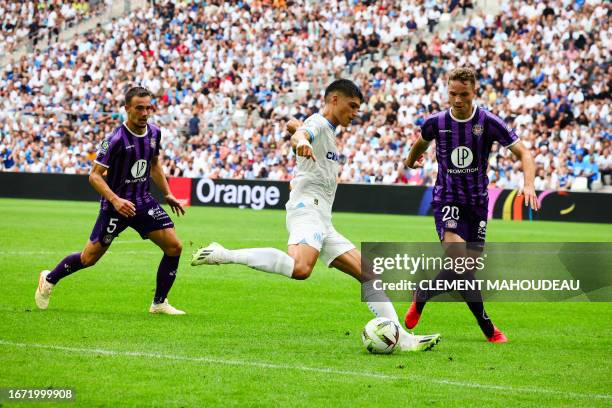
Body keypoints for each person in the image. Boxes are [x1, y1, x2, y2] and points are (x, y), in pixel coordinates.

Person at [191, 79, 441, 352]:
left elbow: (299, 129)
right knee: (301, 269)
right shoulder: (320, 124)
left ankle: (401, 338)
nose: (356, 112)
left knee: (369, 274)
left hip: (322, 218)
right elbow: (304, 134)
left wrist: (296, 129)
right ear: (334, 100)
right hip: (306, 210)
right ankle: (224, 253)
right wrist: (299, 139)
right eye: (352, 105)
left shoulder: (328, 130)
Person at [402, 67, 540, 343]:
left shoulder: (488, 122)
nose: (457, 100)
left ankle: (423, 294)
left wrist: (528, 184)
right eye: (452, 93)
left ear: (474, 92)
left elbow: (524, 152)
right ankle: (489, 329)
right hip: (447, 200)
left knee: (465, 271)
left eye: (463, 94)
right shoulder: (436, 122)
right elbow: (420, 144)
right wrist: (409, 161)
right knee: (461, 264)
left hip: (477, 205)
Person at [35, 86, 187, 314]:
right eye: (139, 108)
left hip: (143, 202)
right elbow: (94, 176)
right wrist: (115, 200)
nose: (145, 113)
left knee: (174, 246)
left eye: (148, 108)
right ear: (127, 109)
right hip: (116, 207)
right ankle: (49, 278)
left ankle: (159, 303)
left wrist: (167, 193)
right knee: (88, 259)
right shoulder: (114, 139)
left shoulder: (155, 133)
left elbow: (154, 165)